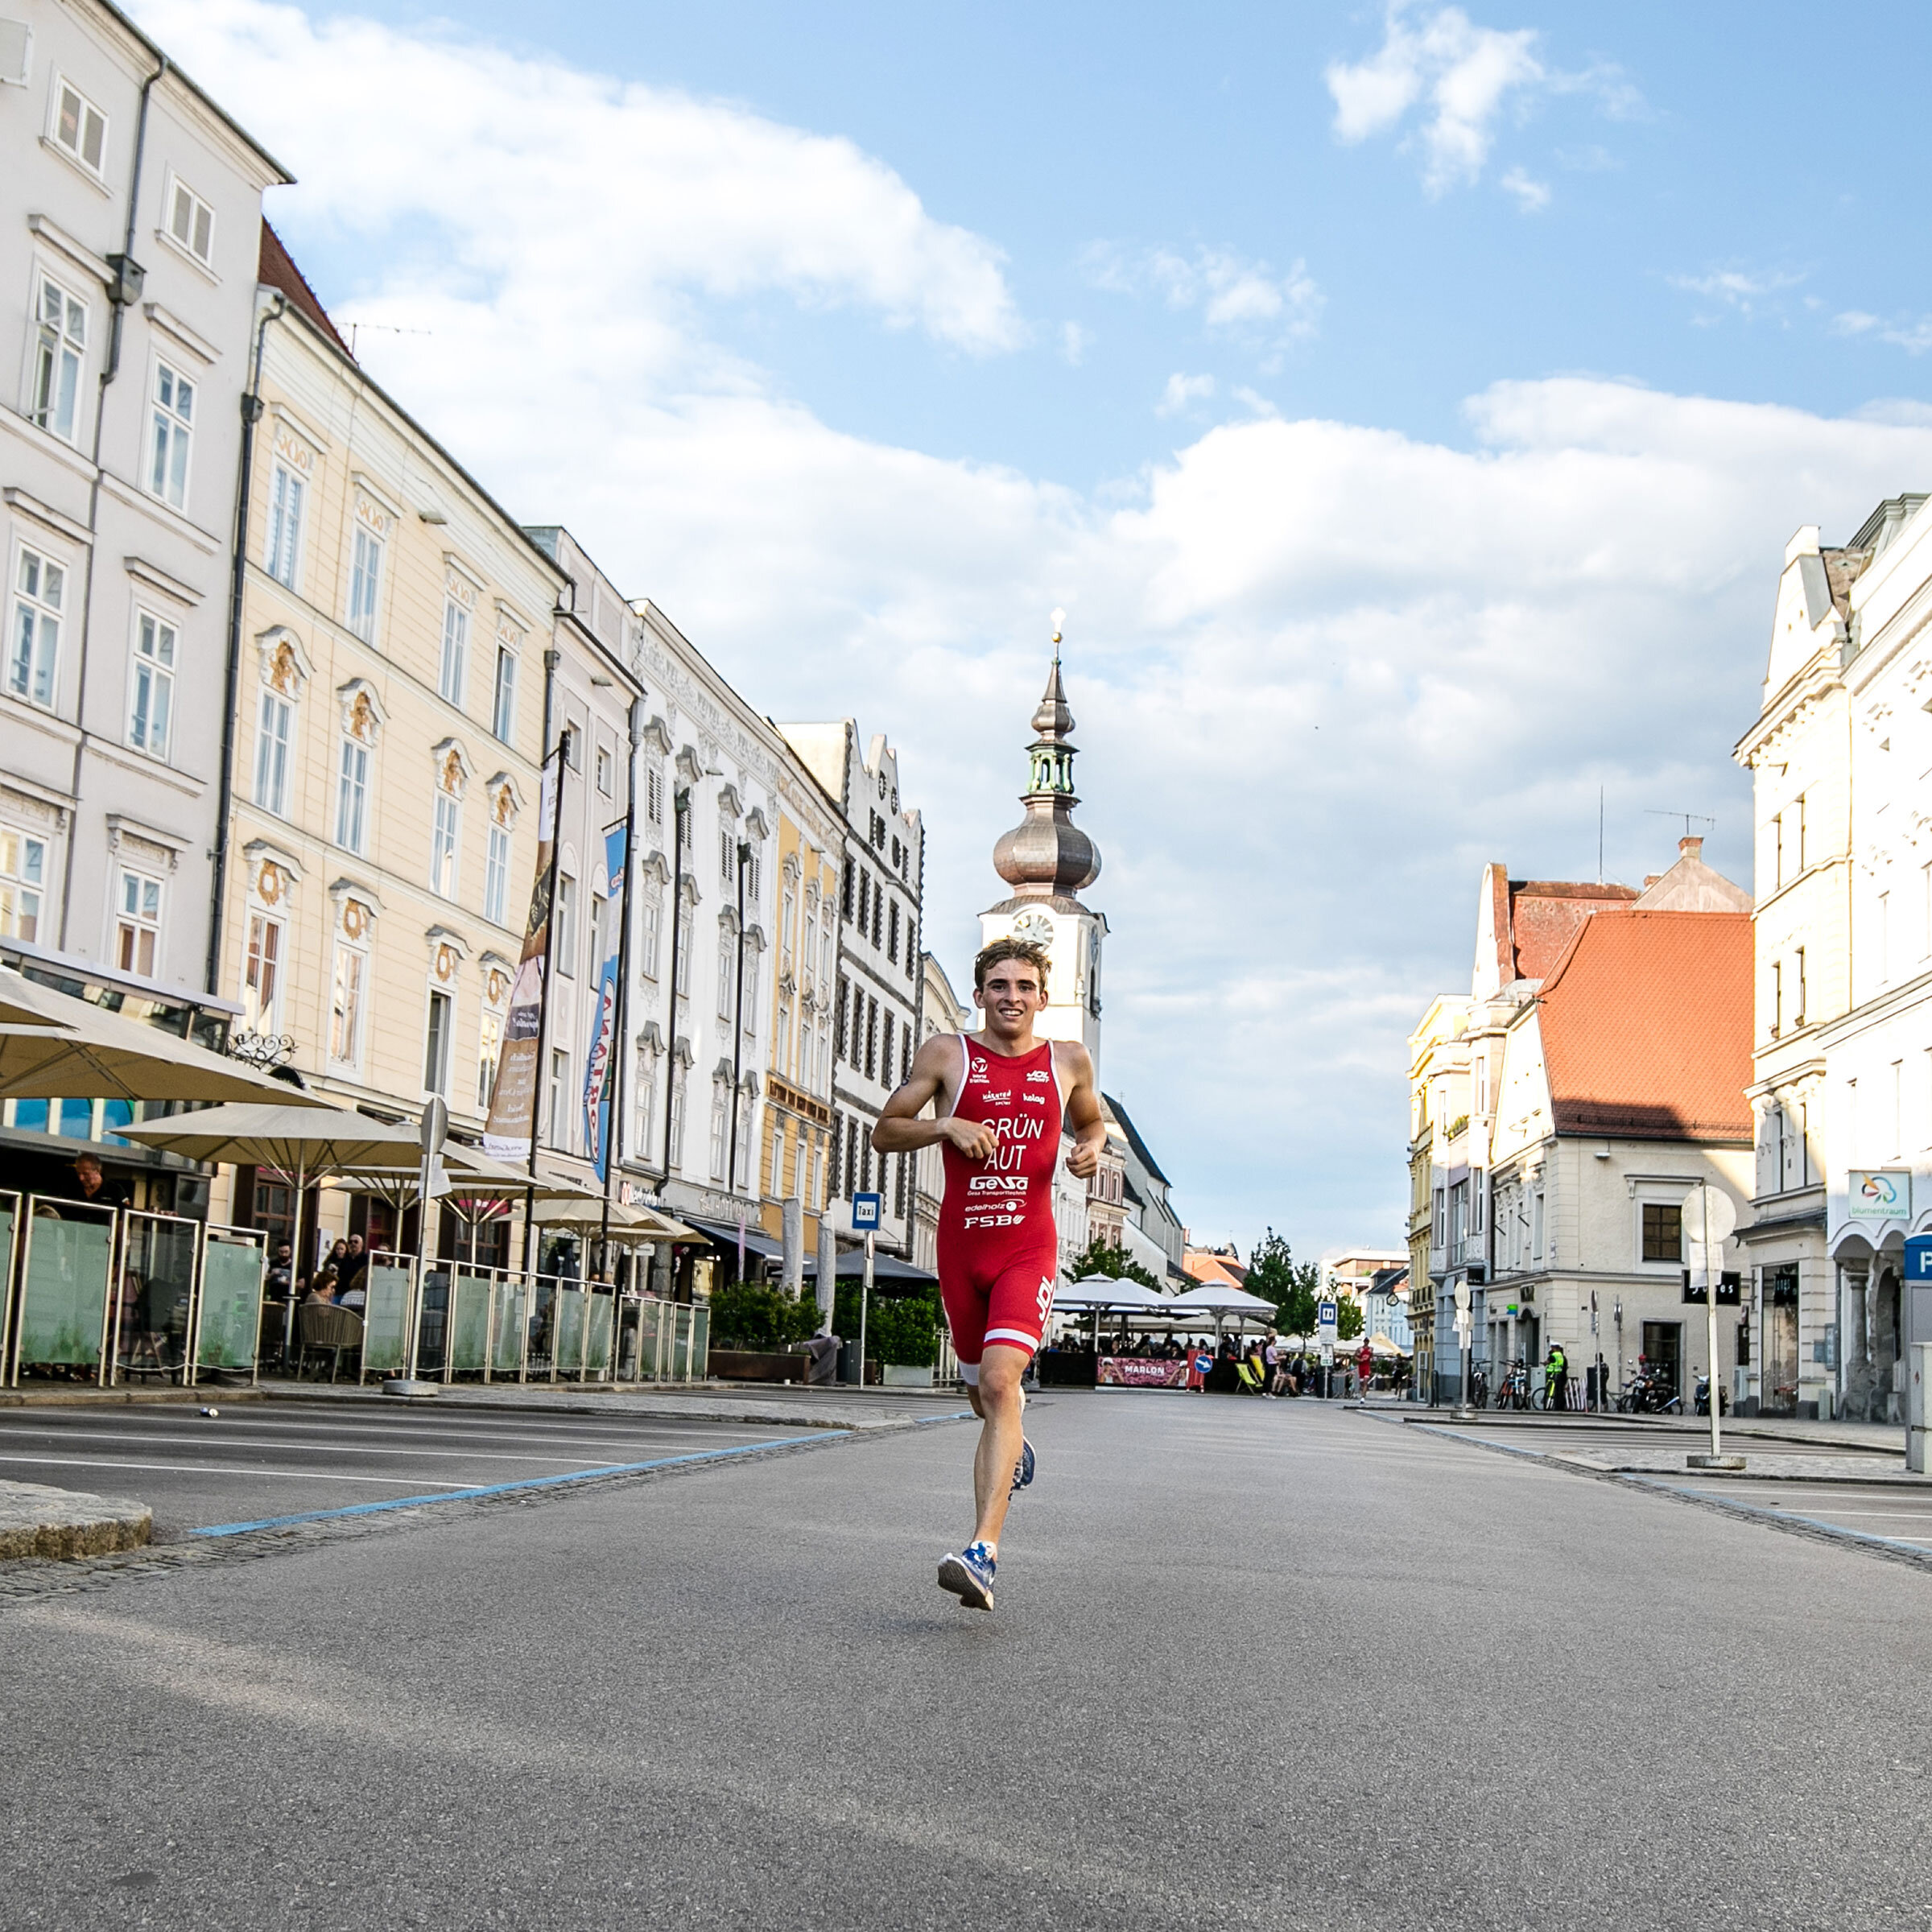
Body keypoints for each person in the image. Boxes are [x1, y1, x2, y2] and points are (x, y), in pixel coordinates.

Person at [873, 938, 1106, 1612]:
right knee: (982, 1399)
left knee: (1003, 1382)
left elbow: (1092, 1127)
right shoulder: (949, 1055)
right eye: (999, 985)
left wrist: (1089, 1152)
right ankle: (1015, 1445)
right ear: (980, 994)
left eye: (1025, 986)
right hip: (960, 1248)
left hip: (1026, 1248)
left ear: (1041, 995)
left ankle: (983, 1553)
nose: (1012, 997)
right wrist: (946, 1127)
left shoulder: (1067, 1060)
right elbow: (886, 1131)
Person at [1546, 1340, 1570, 1411]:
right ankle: (1560, 1406)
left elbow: (1548, 1362)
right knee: (1560, 1392)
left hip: (1555, 1375)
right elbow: (1564, 1366)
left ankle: (1554, 1406)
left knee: (1555, 1391)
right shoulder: (1562, 1357)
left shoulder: (1554, 1355)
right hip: (1562, 1375)